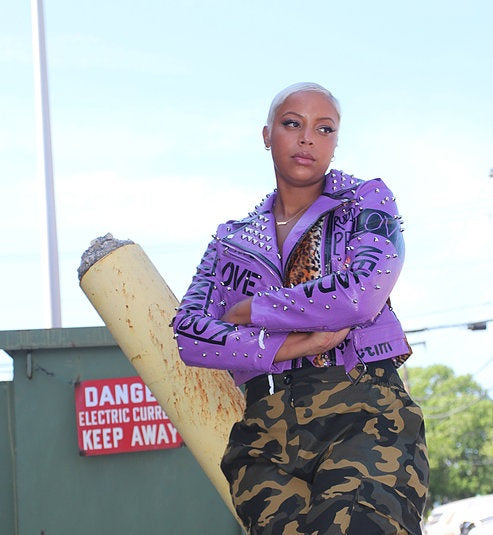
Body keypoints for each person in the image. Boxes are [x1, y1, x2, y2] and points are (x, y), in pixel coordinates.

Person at [173, 82, 429, 534]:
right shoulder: (231, 239)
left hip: (362, 408)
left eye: (324, 129)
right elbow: (190, 335)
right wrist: (293, 345)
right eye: (293, 124)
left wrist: (253, 310)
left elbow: (360, 293)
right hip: (265, 436)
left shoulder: (364, 202)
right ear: (267, 135)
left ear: (335, 141)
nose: (308, 138)